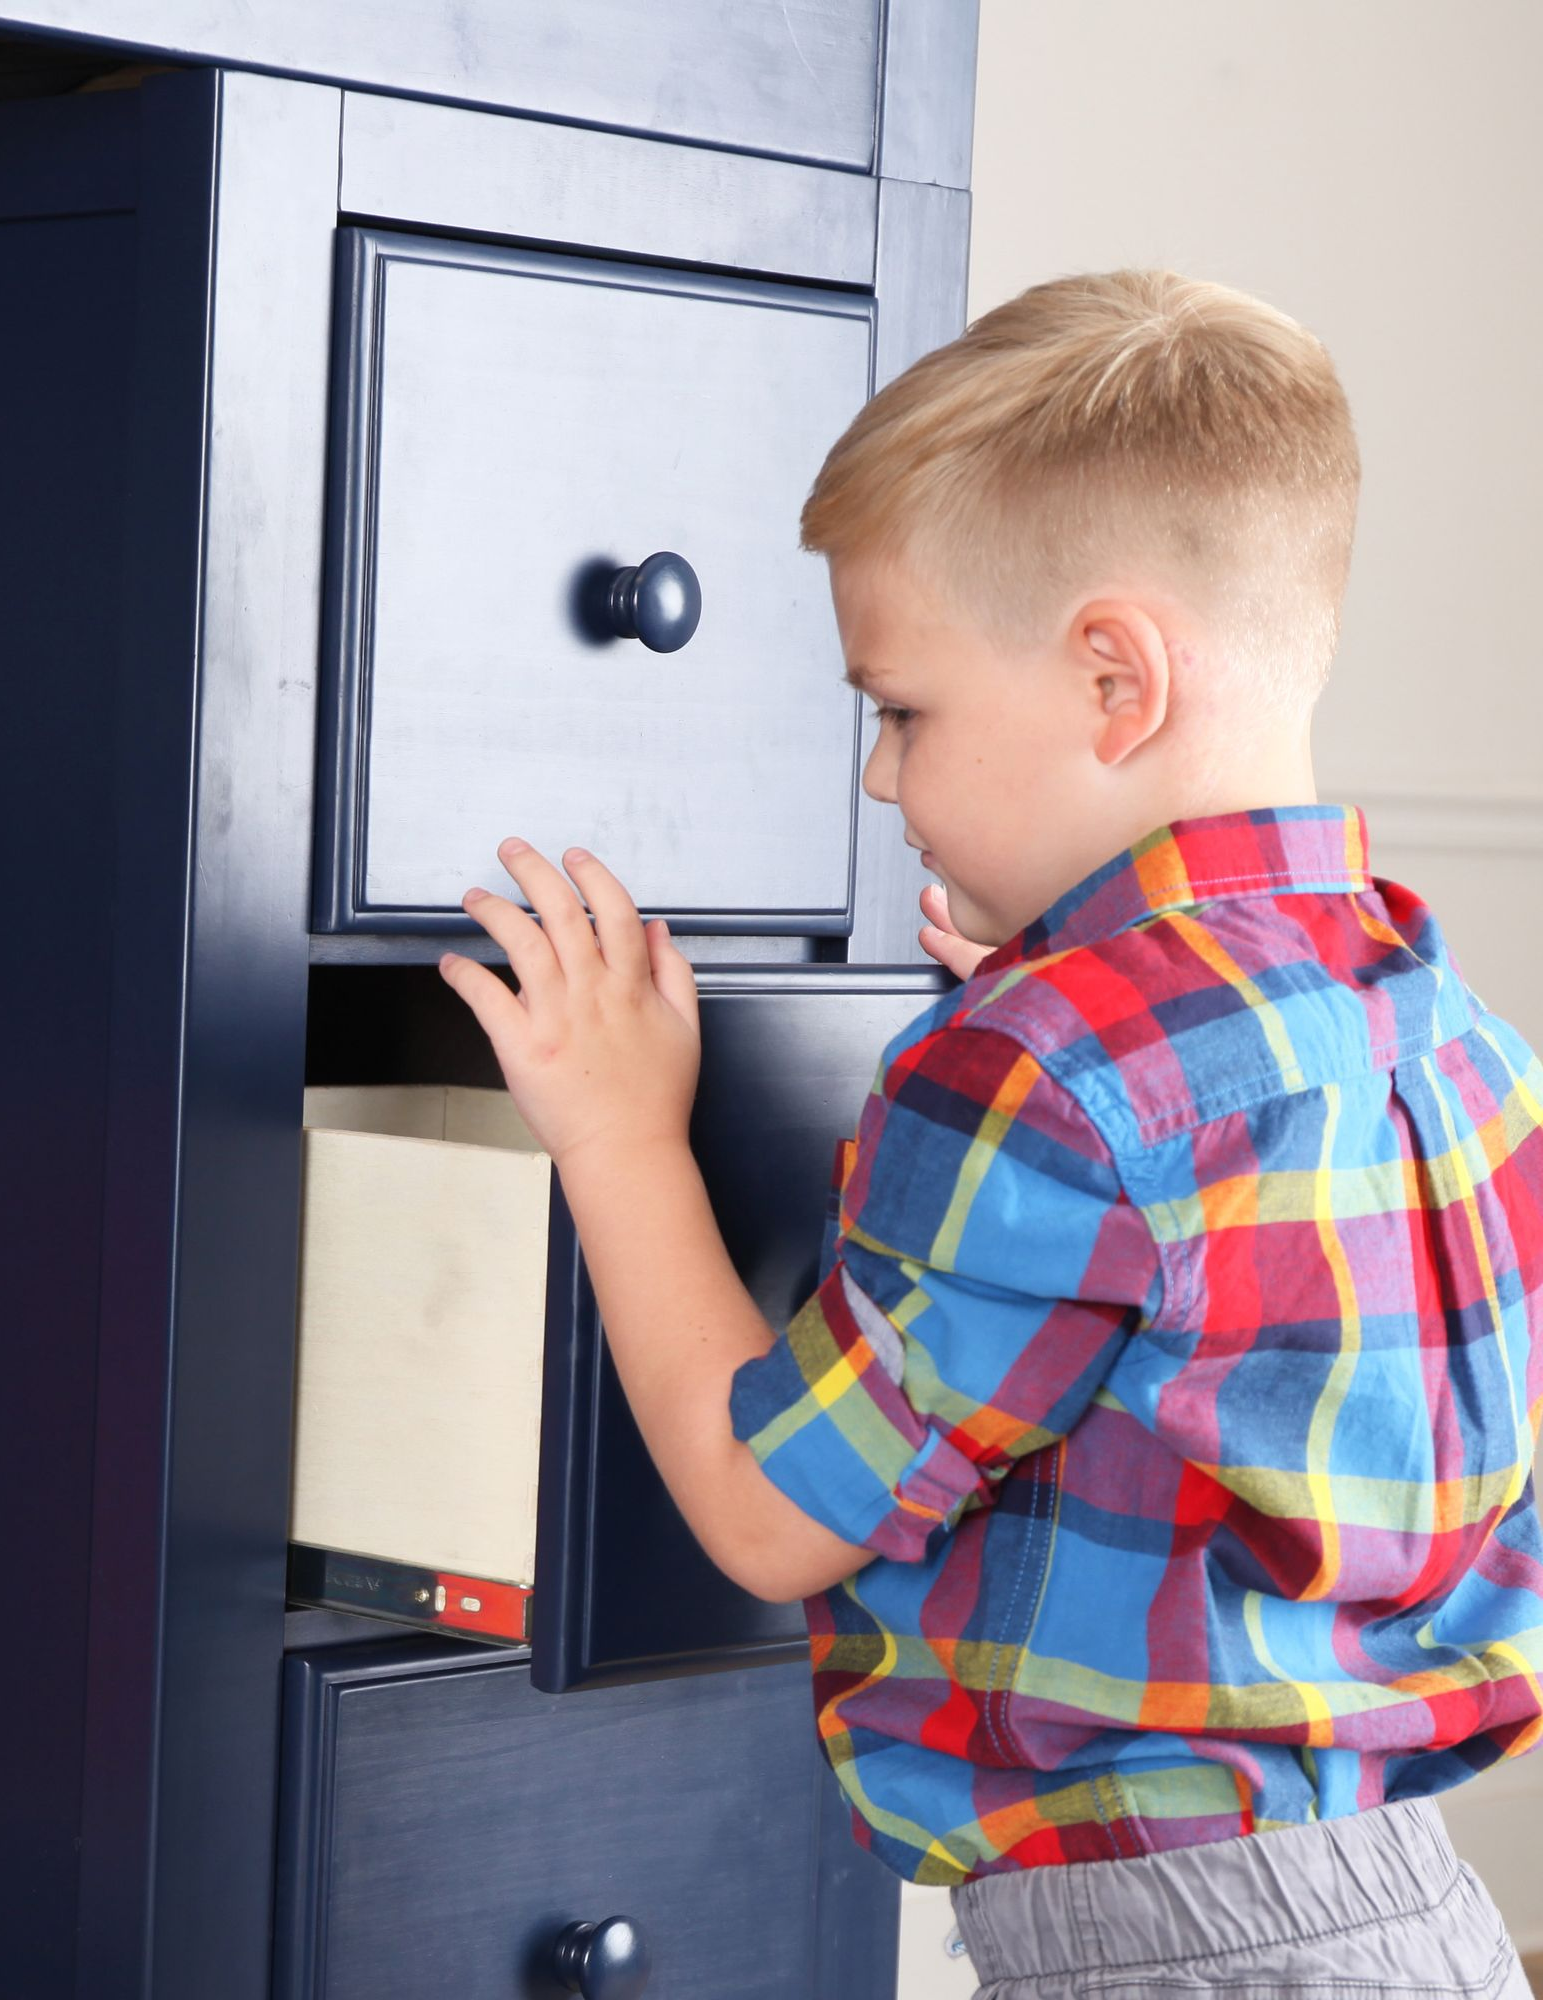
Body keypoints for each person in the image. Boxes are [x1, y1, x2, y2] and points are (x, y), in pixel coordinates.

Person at [436, 270, 1540, 1996]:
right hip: (1418, 1925)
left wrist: (622, 1134)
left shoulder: (1044, 1068)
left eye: (902, 710)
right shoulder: (1446, 1036)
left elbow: (761, 1511)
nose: (881, 778)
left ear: (1115, 678)